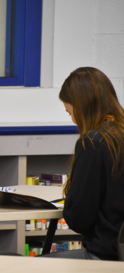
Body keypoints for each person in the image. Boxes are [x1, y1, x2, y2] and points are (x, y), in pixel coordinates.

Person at [41, 67, 124, 260]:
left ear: (82, 108)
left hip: (107, 257)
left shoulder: (93, 143)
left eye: (70, 113)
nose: (72, 120)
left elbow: (80, 219)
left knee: (24, 268)